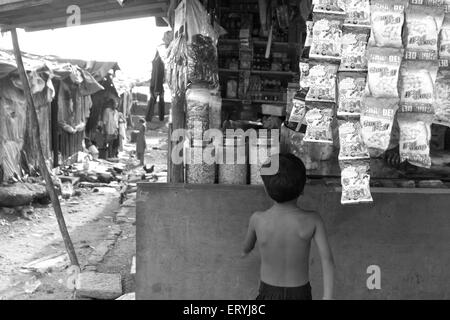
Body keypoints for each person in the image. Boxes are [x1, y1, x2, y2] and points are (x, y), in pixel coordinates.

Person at [242, 153, 335, 300]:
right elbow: (327, 260)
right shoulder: (313, 220)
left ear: (266, 190)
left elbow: (246, 247)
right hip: (300, 294)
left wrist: (245, 251)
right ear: (302, 189)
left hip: (268, 293)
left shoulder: (258, 219)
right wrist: (327, 297)